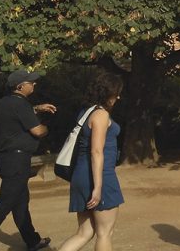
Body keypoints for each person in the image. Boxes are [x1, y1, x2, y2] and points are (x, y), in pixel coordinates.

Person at [0, 69, 56, 251]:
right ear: (20, 86)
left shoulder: (4, 102)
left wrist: (36, 108)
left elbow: (17, 114)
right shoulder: (21, 105)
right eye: (30, 82)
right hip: (17, 160)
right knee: (4, 204)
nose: (34, 84)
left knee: (20, 203)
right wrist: (46, 127)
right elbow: (38, 131)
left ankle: (32, 241)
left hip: (6, 159)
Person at [57, 71, 125, 251]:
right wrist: (98, 187)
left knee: (84, 233)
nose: (118, 97)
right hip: (99, 176)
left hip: (80, 176)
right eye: (116, 92)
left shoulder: (86, 112)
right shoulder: (101, 115)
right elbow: (96, 151)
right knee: (105, 233)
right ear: (108, 93)